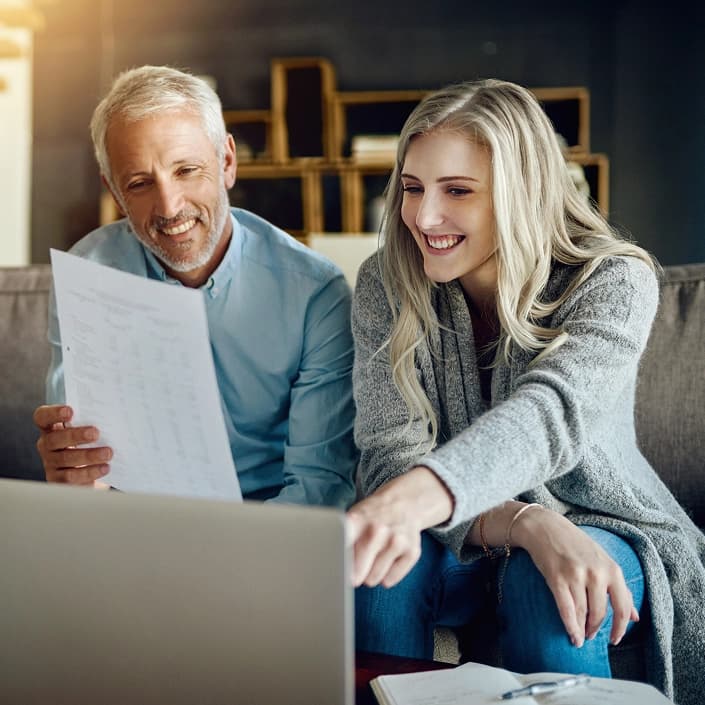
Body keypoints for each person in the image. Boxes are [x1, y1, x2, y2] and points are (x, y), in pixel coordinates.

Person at [346, 79, 704, 705]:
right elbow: (388, 454)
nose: (424, 217)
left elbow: (550, 416)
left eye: (457, 190)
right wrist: (526, 523)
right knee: (381, 575)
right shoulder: (386, 280)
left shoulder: (616, 279)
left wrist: (414, 502)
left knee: (554, 587)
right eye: (412, 188)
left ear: (522, 193)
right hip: (466, 532)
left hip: (605, 524)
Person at [34, 65, 357, 508]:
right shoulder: (85, 274)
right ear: (114, 190)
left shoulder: (315, 294)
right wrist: (78, 477)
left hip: (272, 526)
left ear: (226, 162)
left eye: (186, 170)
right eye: (140, 183)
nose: (170, 207)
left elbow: (319, 488)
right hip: (138, 523)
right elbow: (88, 471)